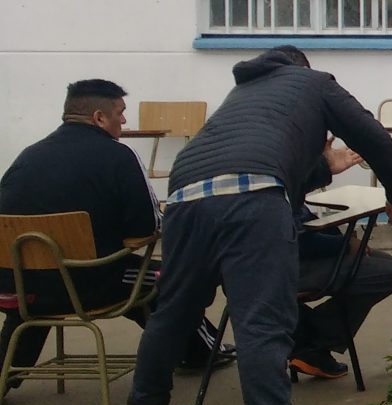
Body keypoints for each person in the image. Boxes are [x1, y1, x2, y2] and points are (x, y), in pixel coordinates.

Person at [122, 46, 392, 405]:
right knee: (261, 322)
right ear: (303, 69)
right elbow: (371, 136)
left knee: (174, 310)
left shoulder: (240, 97)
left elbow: (260, 161)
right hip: (252, 201)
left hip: (183, 197)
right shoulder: (314, 83)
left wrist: (321, 168)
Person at [0, 80, 229, 384]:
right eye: (120, 113)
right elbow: (147, 228)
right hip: (89, 286)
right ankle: (202, 352)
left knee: (49, 280)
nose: (123, 120)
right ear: (99, 117)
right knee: (171, 278)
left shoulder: (27, 156)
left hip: (16, 288)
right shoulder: (119, 156)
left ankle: (4, 377)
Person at [286, 141, 392, 380]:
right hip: (279, 267)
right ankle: (310, 342)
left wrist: (323, 168)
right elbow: (297, 240)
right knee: (384, 273)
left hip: (279, 259)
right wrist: (345, 245)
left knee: (381, 260)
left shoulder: (264, 160)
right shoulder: (269, 172)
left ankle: (302, 333)